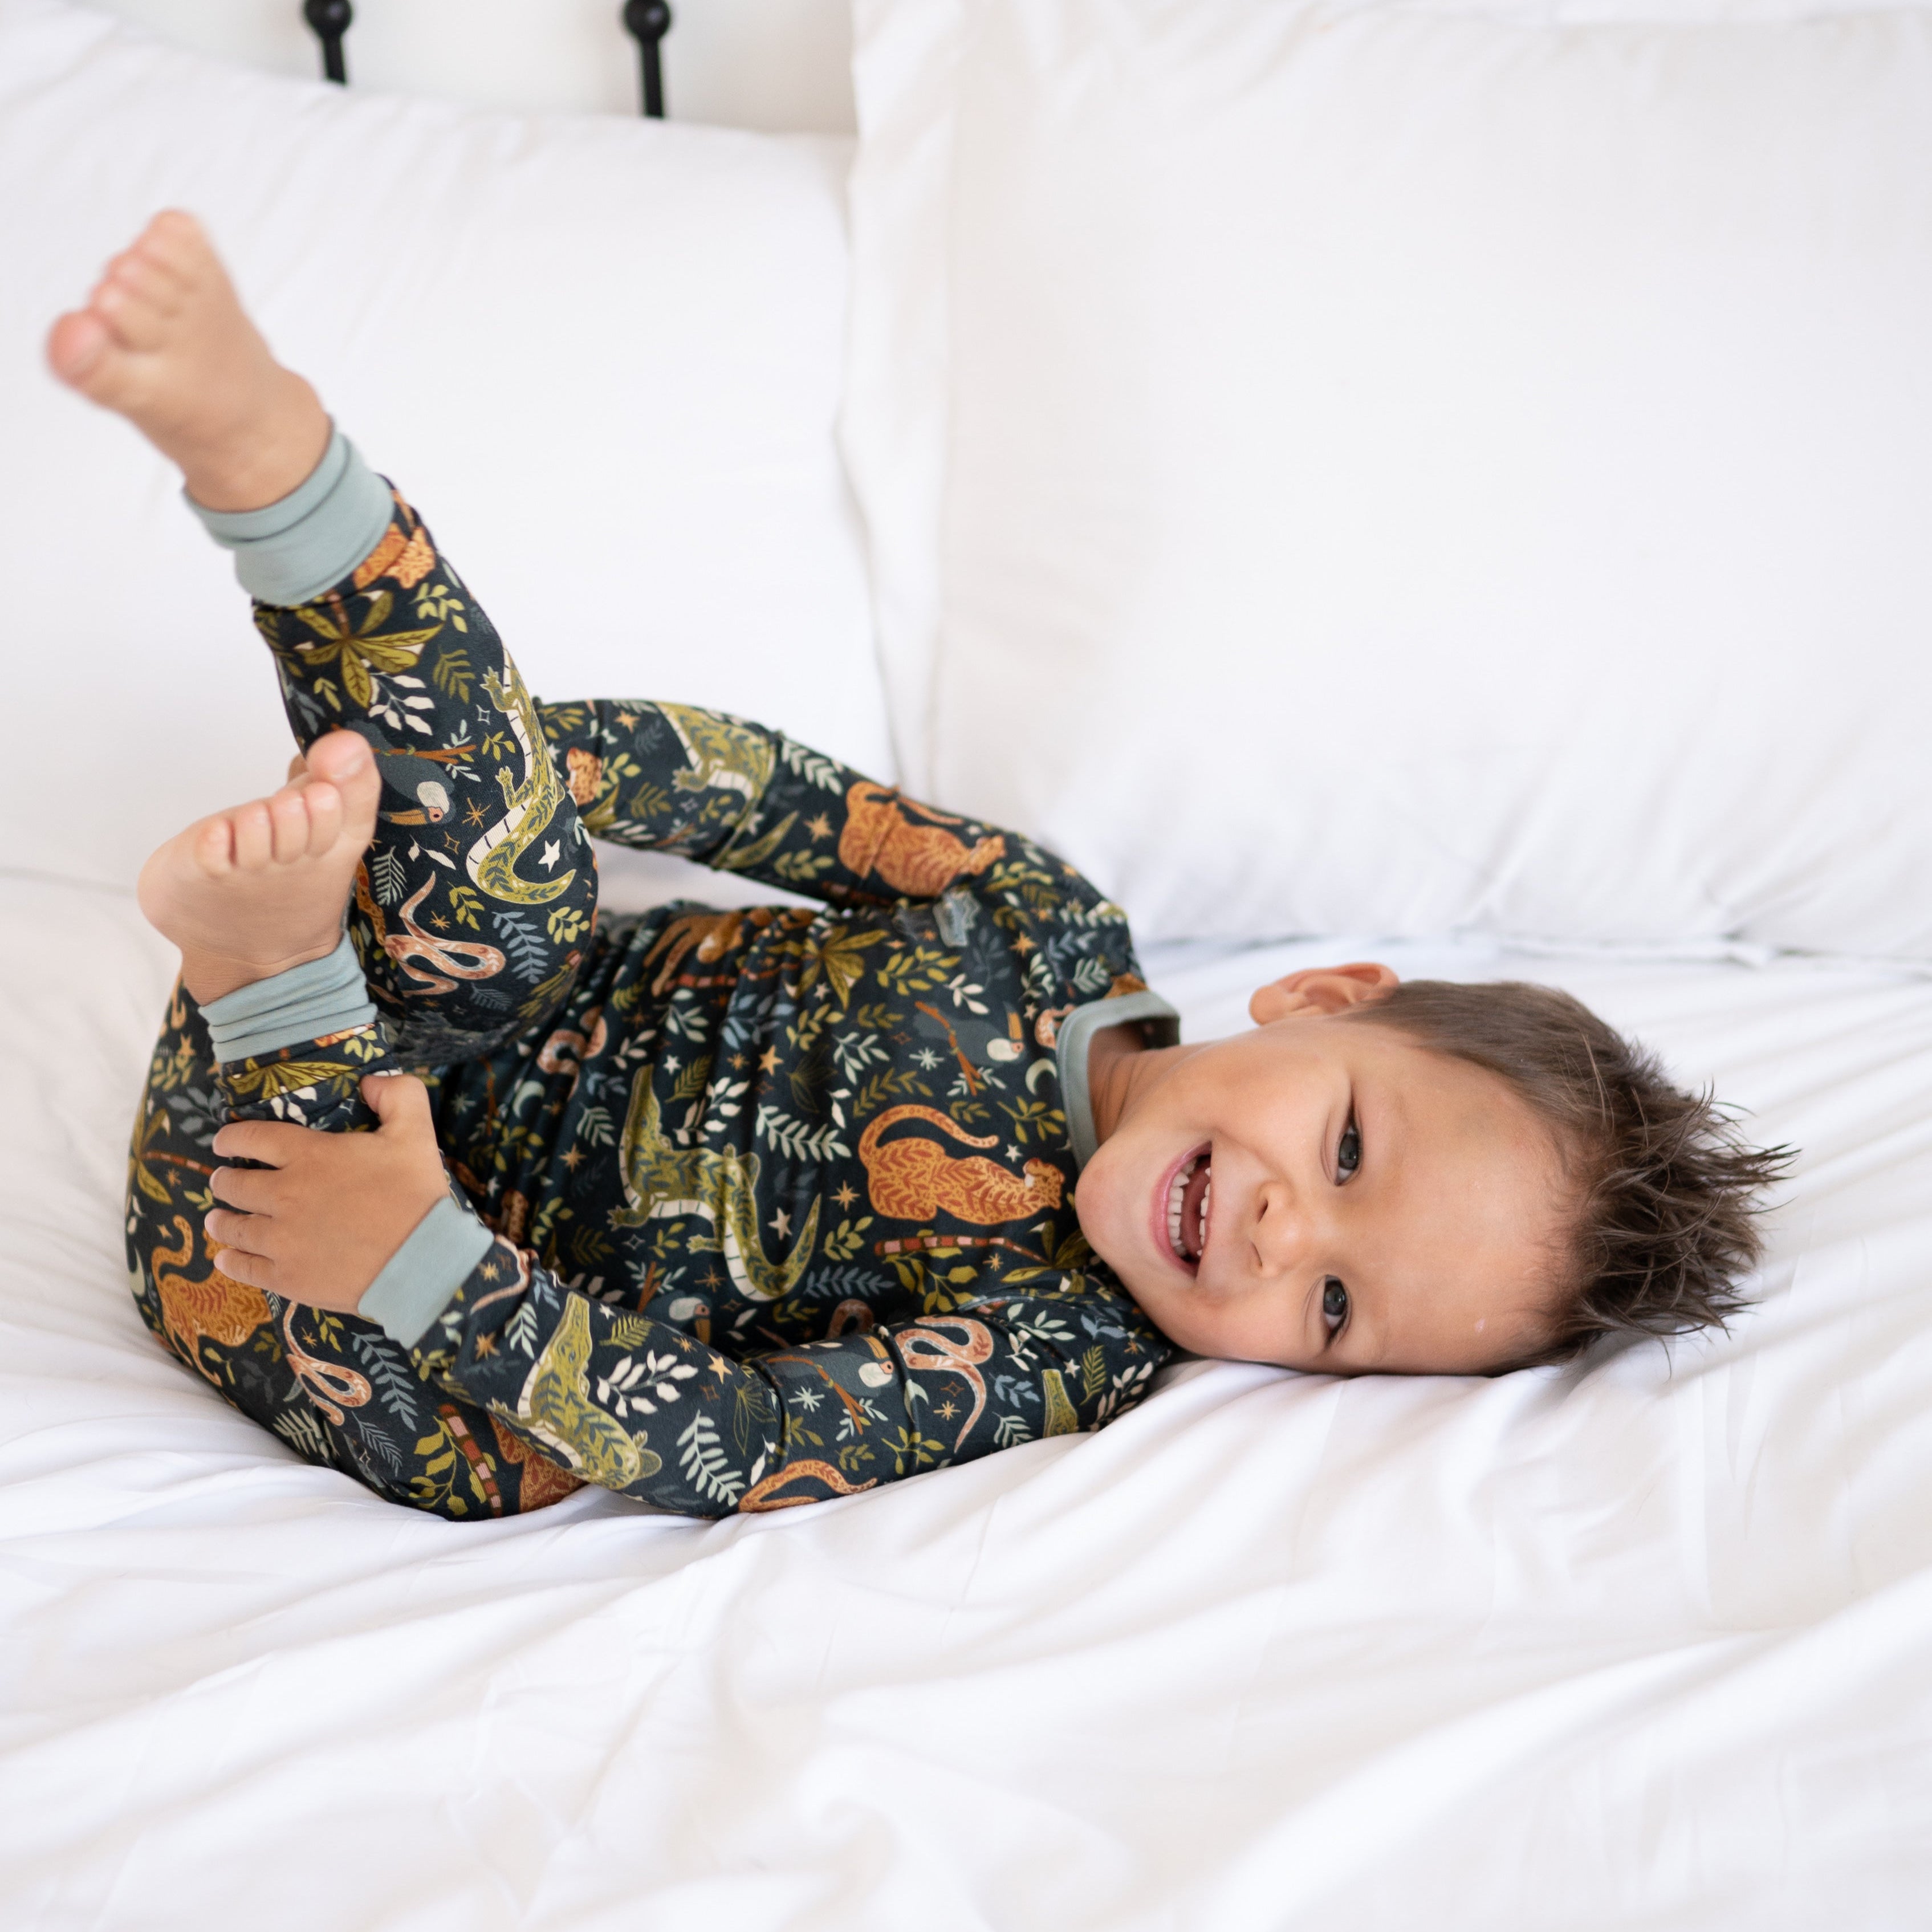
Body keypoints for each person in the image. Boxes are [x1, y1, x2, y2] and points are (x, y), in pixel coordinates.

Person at [53, 213, 1788, 1519]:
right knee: (510, 892)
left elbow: (751, 1444)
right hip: (470, 999)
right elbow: (769, 798)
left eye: (1337, 1305)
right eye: (1344, 1145)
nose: (1276, 1228)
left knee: (497, 1471)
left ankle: (263, 976)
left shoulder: (1058, 1357)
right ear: (1327, 998)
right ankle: (275, 467)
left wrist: (420, 1257)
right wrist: (500, 773)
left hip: (291, 1242)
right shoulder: (1038, 924)